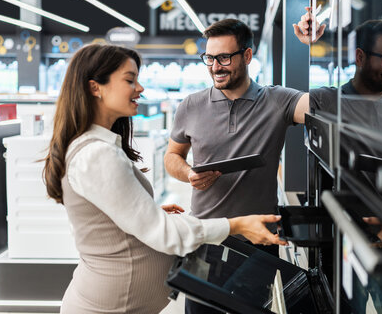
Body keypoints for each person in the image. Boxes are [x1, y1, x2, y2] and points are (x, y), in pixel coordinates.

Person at [43, 44, 286, 314]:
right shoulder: (98, 154)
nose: (140, 88)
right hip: (108, 306)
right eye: (129, 80)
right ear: (95, 87)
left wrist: (148, 212)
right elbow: (165, 234)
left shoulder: (96, 146)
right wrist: (236, 226)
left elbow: (105, 214)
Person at [164, 18, 308, 314]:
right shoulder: (190, 105)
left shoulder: (278, 101)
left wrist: (309, 46)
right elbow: (171, 157)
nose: (216, 66)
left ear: (247, 56)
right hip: (206, 238)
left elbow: (324, 108)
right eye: (210, 58)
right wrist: (189, 173)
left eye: (224, 57)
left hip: (258, 242)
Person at [295, 11, 382, 219]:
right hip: (342, 234)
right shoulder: (325, 101)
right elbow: (284, 104)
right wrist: (303, 45)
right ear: (360, 57)